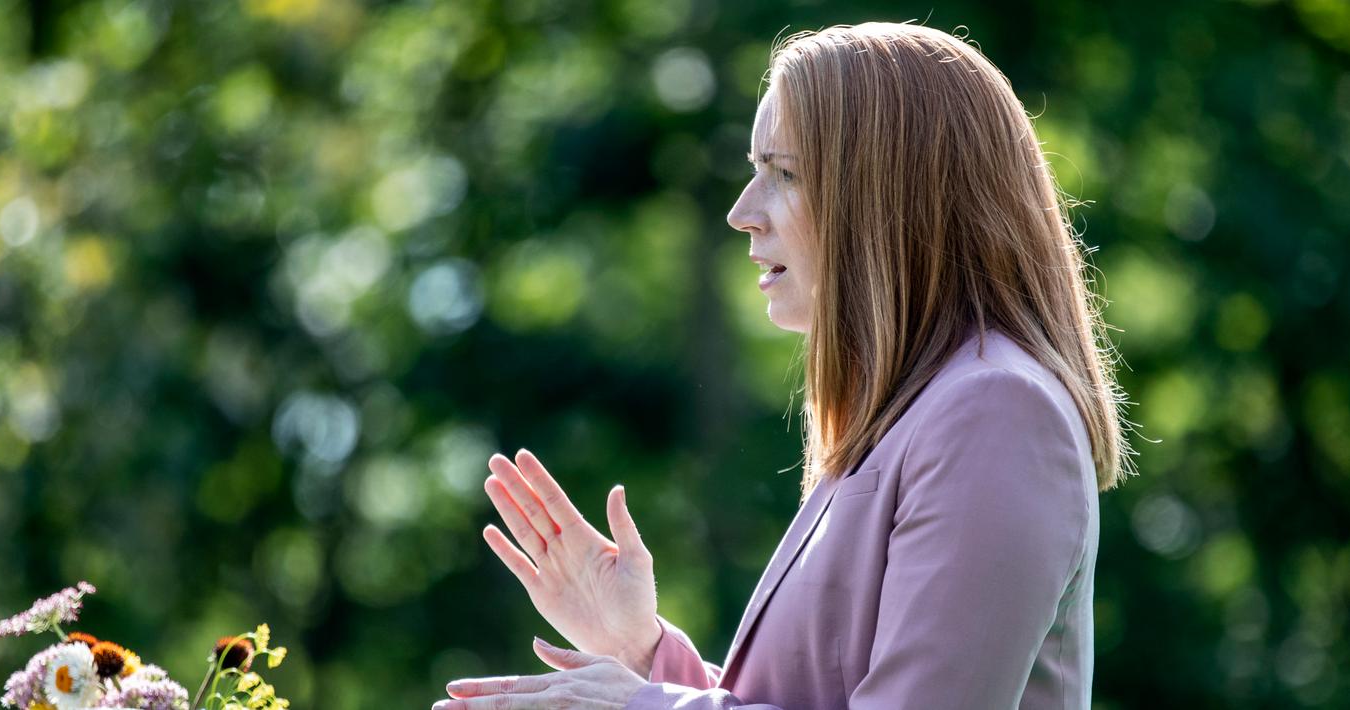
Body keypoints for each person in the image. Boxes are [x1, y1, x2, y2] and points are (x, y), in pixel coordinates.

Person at [432, 20, 1136, 710]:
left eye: (784, 173)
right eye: (754, 171)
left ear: (893, 193)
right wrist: (642, 651)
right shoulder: (910, 414)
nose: (742, 212)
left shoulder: (996, 411)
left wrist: (645, 705)